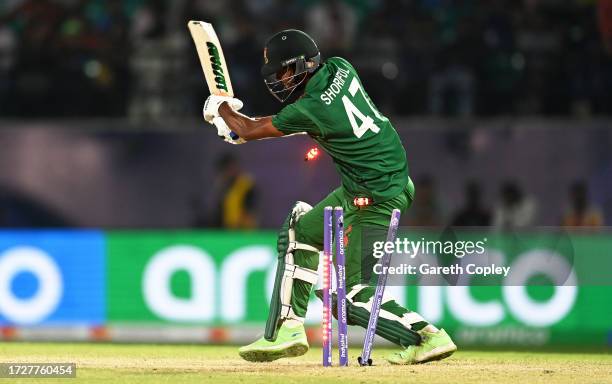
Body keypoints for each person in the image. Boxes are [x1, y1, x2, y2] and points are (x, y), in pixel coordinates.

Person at [202, 29, 456, 364]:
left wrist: (223, 112)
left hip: (376, 197)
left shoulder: (311, 108)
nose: (279, 80)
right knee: (301, 231)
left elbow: (251, 130)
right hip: (367, 185)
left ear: (301, 64)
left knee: (345, 297)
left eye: (283, 71)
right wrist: (238, 126)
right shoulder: (340, 67)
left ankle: (426, 336)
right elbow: (259, 127)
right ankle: (287, 329)